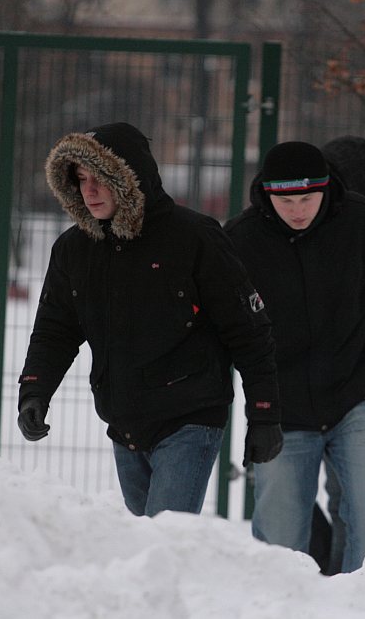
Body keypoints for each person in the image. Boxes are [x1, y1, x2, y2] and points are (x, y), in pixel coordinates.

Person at [17, 122, 284, 517]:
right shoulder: (73, 250)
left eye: (100, 179)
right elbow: (55, 329)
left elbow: (247, 331)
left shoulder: (194, 237)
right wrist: (35, 390)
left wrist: (263, 413)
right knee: (147, 548)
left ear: (129, 178)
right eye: (80, 179)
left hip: (190, 418)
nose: (88, 191)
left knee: (164, 537)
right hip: (124, 422)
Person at [225, 140, 365, 572]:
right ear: (267, 194)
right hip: (281, 406)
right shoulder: (240, 240)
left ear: (326, 188)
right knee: (279, 541)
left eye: (308, 197)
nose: (299, 209)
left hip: (358, 395)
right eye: (287, 200)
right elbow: (220, 322)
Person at [308, 135, 365, 576]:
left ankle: (339, 580)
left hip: (347, 391)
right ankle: (340, 578)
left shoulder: (364, 234)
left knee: (344, 498)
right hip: (350, 388)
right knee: (346, 500)